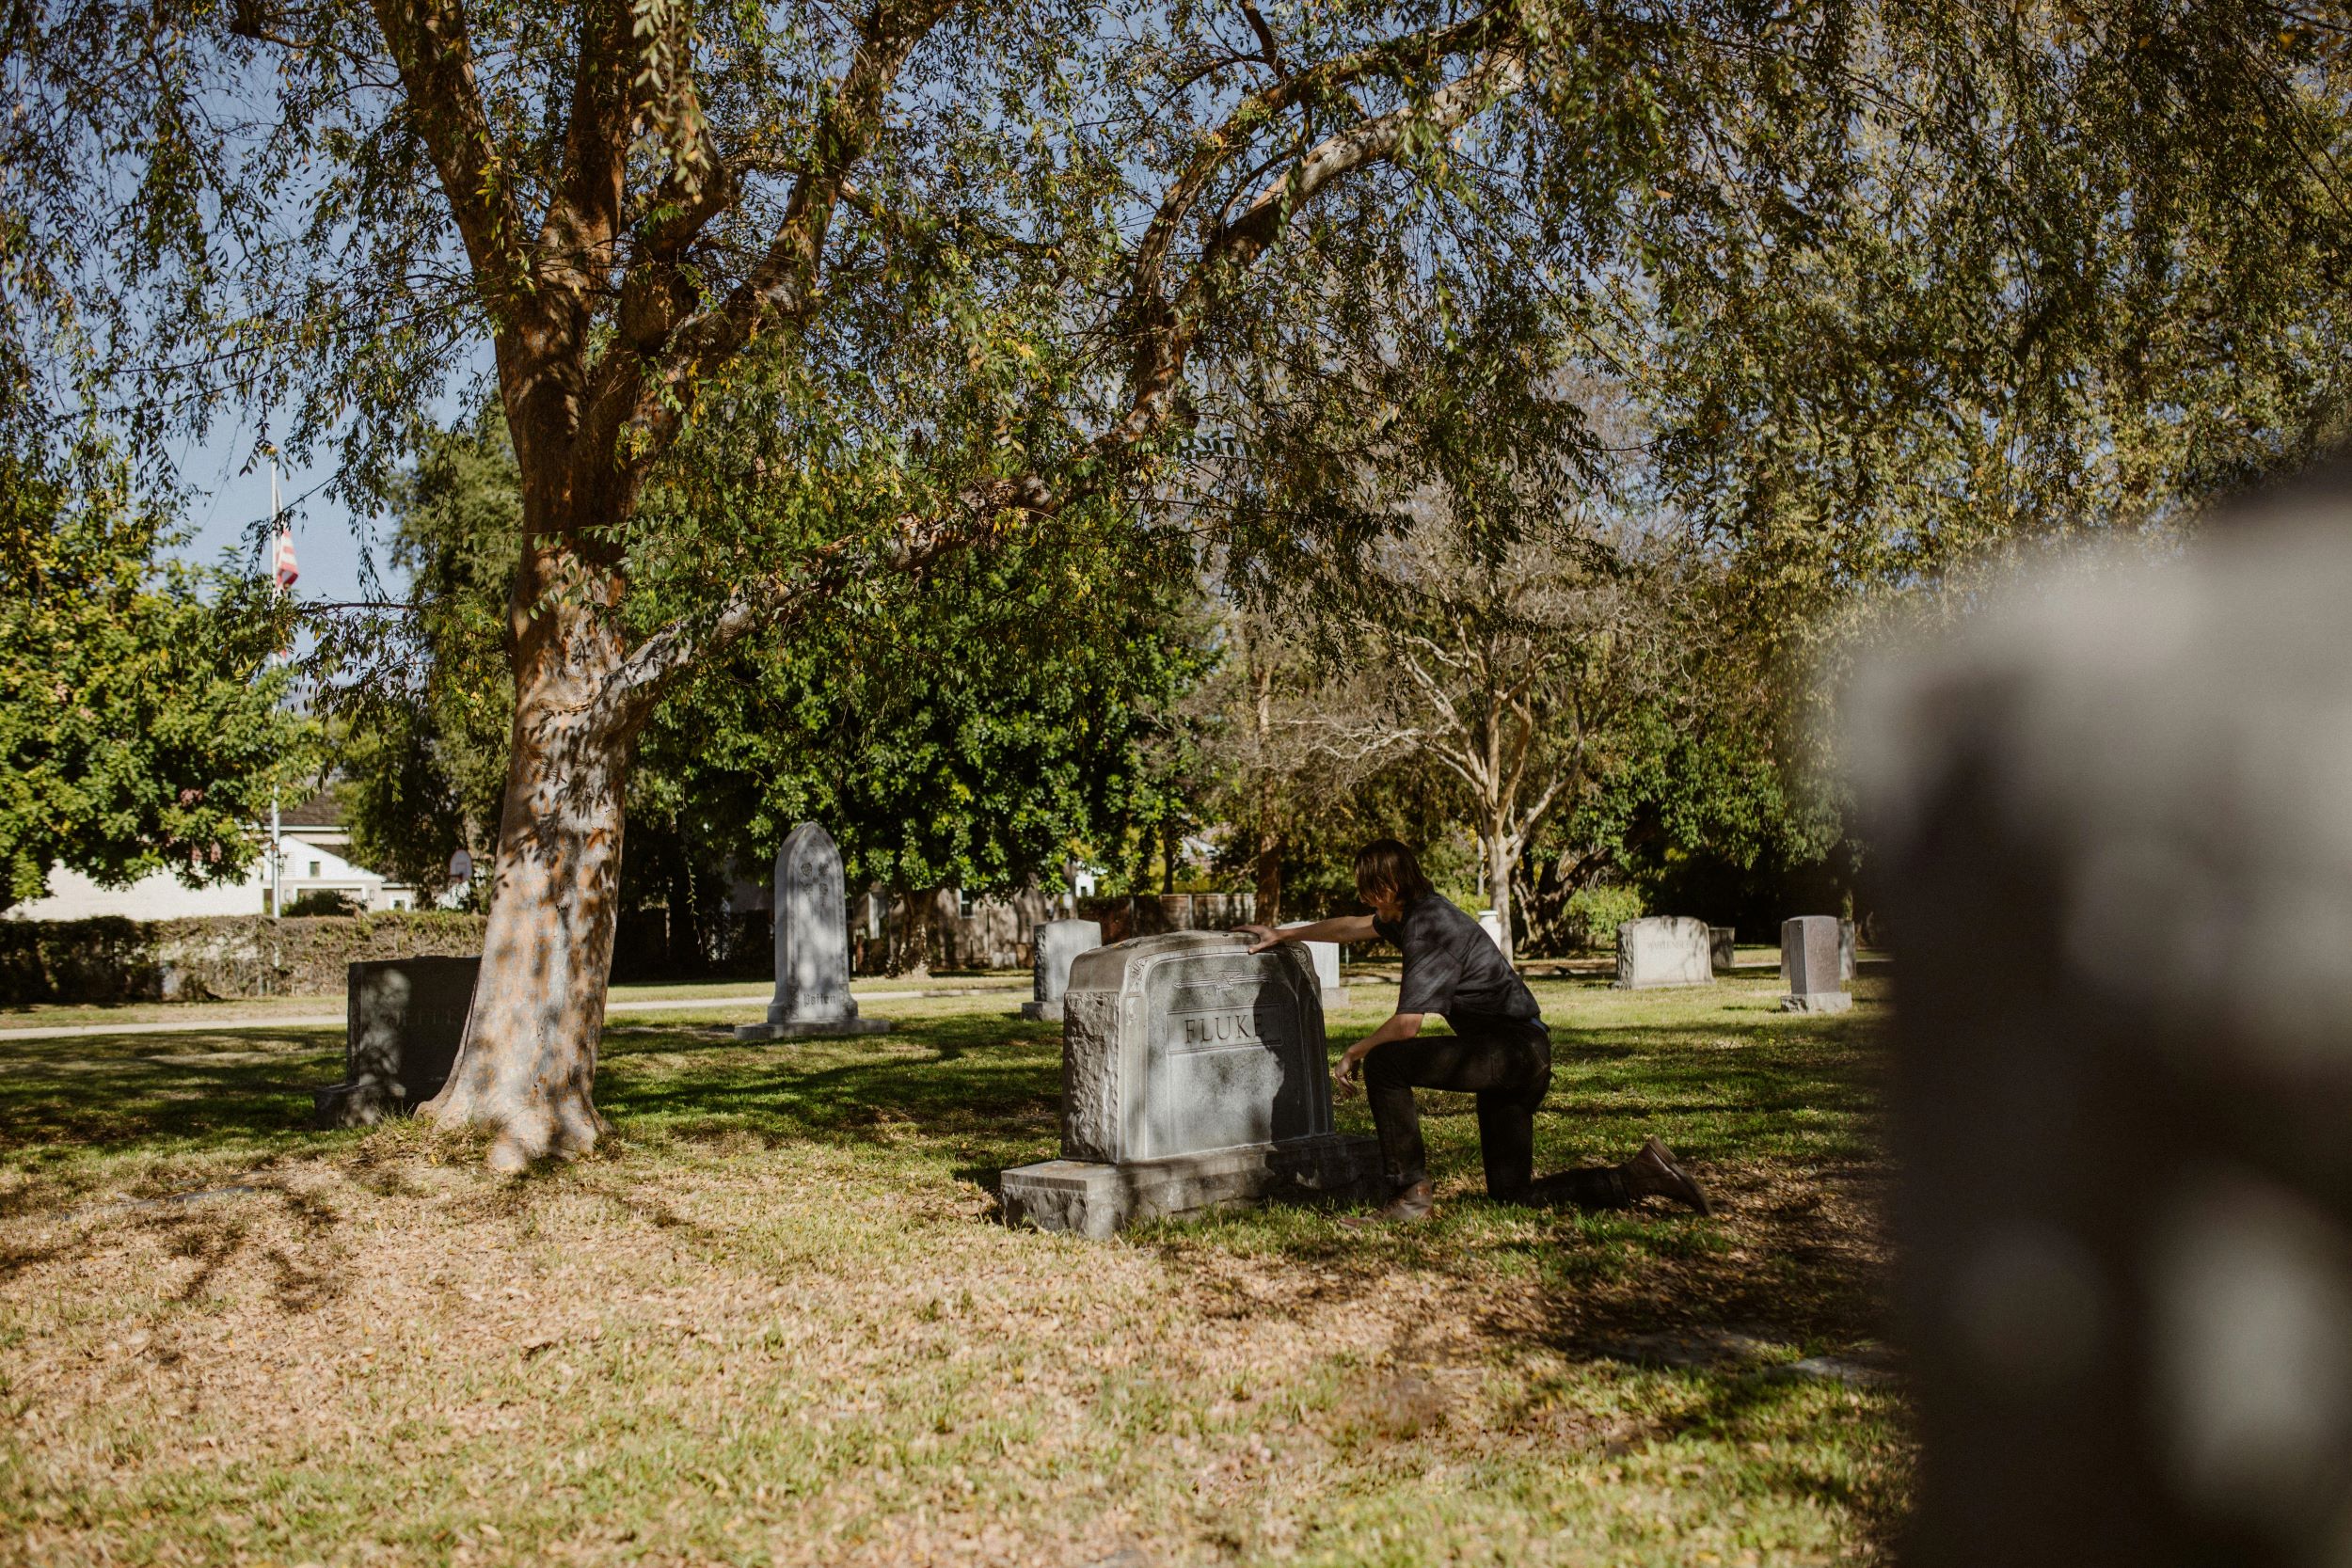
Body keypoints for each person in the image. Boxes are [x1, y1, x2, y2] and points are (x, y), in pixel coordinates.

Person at [1238, 838, 1710, 1225]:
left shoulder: (1428, 927)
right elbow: (1354, 927)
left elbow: (1406, 1026)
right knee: (1513, 1195)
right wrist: (1286, 933)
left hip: (1512, 1052)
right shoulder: (1414, 912)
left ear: (1390, 885)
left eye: (1370, 889)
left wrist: (1355, 1051)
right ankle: (1641, 1176)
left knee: (1385, 1062)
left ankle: (1410, 1194)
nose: (1365, 899)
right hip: (1519, 1052)